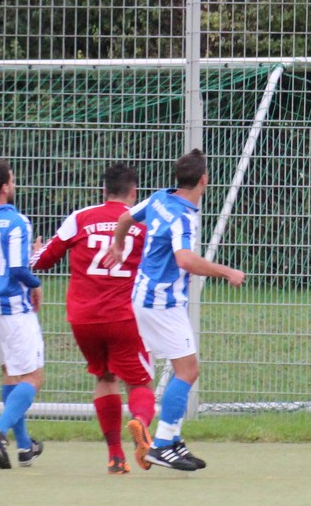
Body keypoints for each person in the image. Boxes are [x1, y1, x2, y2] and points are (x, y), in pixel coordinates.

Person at [104, 149, 245, 472]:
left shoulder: (157, 198)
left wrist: (119, 243)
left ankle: (173, 439)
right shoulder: (184, 215)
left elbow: (125, 218)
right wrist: (226, 272)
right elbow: (184, 259)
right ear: (204, 180)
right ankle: (164, 444)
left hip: (145, 297)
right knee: (187, 371)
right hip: (161, 302)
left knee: (184, 367)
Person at [34, 162, 157, 474]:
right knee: (140, 382)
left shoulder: (80, 218)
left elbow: (45, 260)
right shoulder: (143, 224)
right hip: (123, 316)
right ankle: (141, 424)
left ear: (103, 191)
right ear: (134, 192)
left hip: (83, 318)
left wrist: (36, 252)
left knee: (104, 378)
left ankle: (116, 456)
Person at [0, 159, 44, 471]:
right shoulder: (17, 222)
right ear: (5, 187)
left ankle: (24, 446)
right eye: (12, 180)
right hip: (12, 307)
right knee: (33, 377)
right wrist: (36, 283)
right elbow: (16, 269)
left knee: (11, 371)